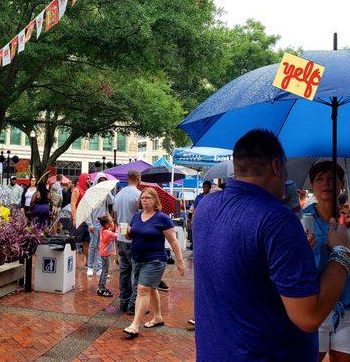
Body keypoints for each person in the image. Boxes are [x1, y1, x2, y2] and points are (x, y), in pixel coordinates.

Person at [193, 129, 349, 362]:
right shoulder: (277, 220)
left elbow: (248, 271)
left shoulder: (206, 206)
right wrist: (340, 251)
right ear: (277, 166)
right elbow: (308, 317)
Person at [302, 161, 350, 362]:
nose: (326, 183)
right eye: (319, 179)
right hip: (315, 309)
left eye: (332, 178)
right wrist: (302, 250)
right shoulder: (301, 220)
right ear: (312, 185)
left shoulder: (347, 221)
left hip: (347, 310)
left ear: (342, 185)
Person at [123, 188, 185, 338]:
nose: (144, 200)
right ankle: (157, 317)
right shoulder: (136, 216)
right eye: (143, 198)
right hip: (137, 258)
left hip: (155, 260)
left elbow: (173, 241)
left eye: (148, 198)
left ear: (155, 200)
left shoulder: (162, 218)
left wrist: (180, 260)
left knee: (142, 289)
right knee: (151, 288)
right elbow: (131, 237)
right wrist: (127, 232)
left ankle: (135, 325)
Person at [113, 169, 141, 314]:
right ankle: (134, 304)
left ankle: (124, 302)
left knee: (124, 272)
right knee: (136, 272)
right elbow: (141, 216)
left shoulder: (118, 195)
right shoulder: (138, 194)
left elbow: (116, 217)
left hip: (121, 237)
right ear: (137, 178)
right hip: (133, 238)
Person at [86, 172, 114, 277]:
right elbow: (87, 210)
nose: (102, 183)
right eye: (100, 181)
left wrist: (107, 191)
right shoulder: (90, 192)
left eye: (104, 181)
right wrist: (90, 224)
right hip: (94, 223)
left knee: (102, 246)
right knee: (93, 246)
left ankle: (100, 268)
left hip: (103, 224)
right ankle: (90, 267)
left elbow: (112, 201)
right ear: (97, 181)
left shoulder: (105, 193)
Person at [71, 173, 92, 266]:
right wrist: (75, 219)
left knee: (87, 241)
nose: (89, 180)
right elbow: (73, 204)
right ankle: (72, 262)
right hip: (79, 219)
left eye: (89, 179)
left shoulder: (87, 190)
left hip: (86, 219)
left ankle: (87, 261)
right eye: (87, 179)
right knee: (75, 241)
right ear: (83, 179)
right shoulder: (76, 190)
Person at [97, 214, 117, 297]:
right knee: (105, 272)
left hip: (103, 253)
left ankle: (100, 287)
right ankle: (102, 289)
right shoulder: (108, 233)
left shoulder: (103, 229)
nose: (113, 222)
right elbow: (118, 235)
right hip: (105, 254)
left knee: (103, 271)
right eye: (112, 221)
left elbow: (112, 230)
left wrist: (113, 226)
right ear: (106, 225)